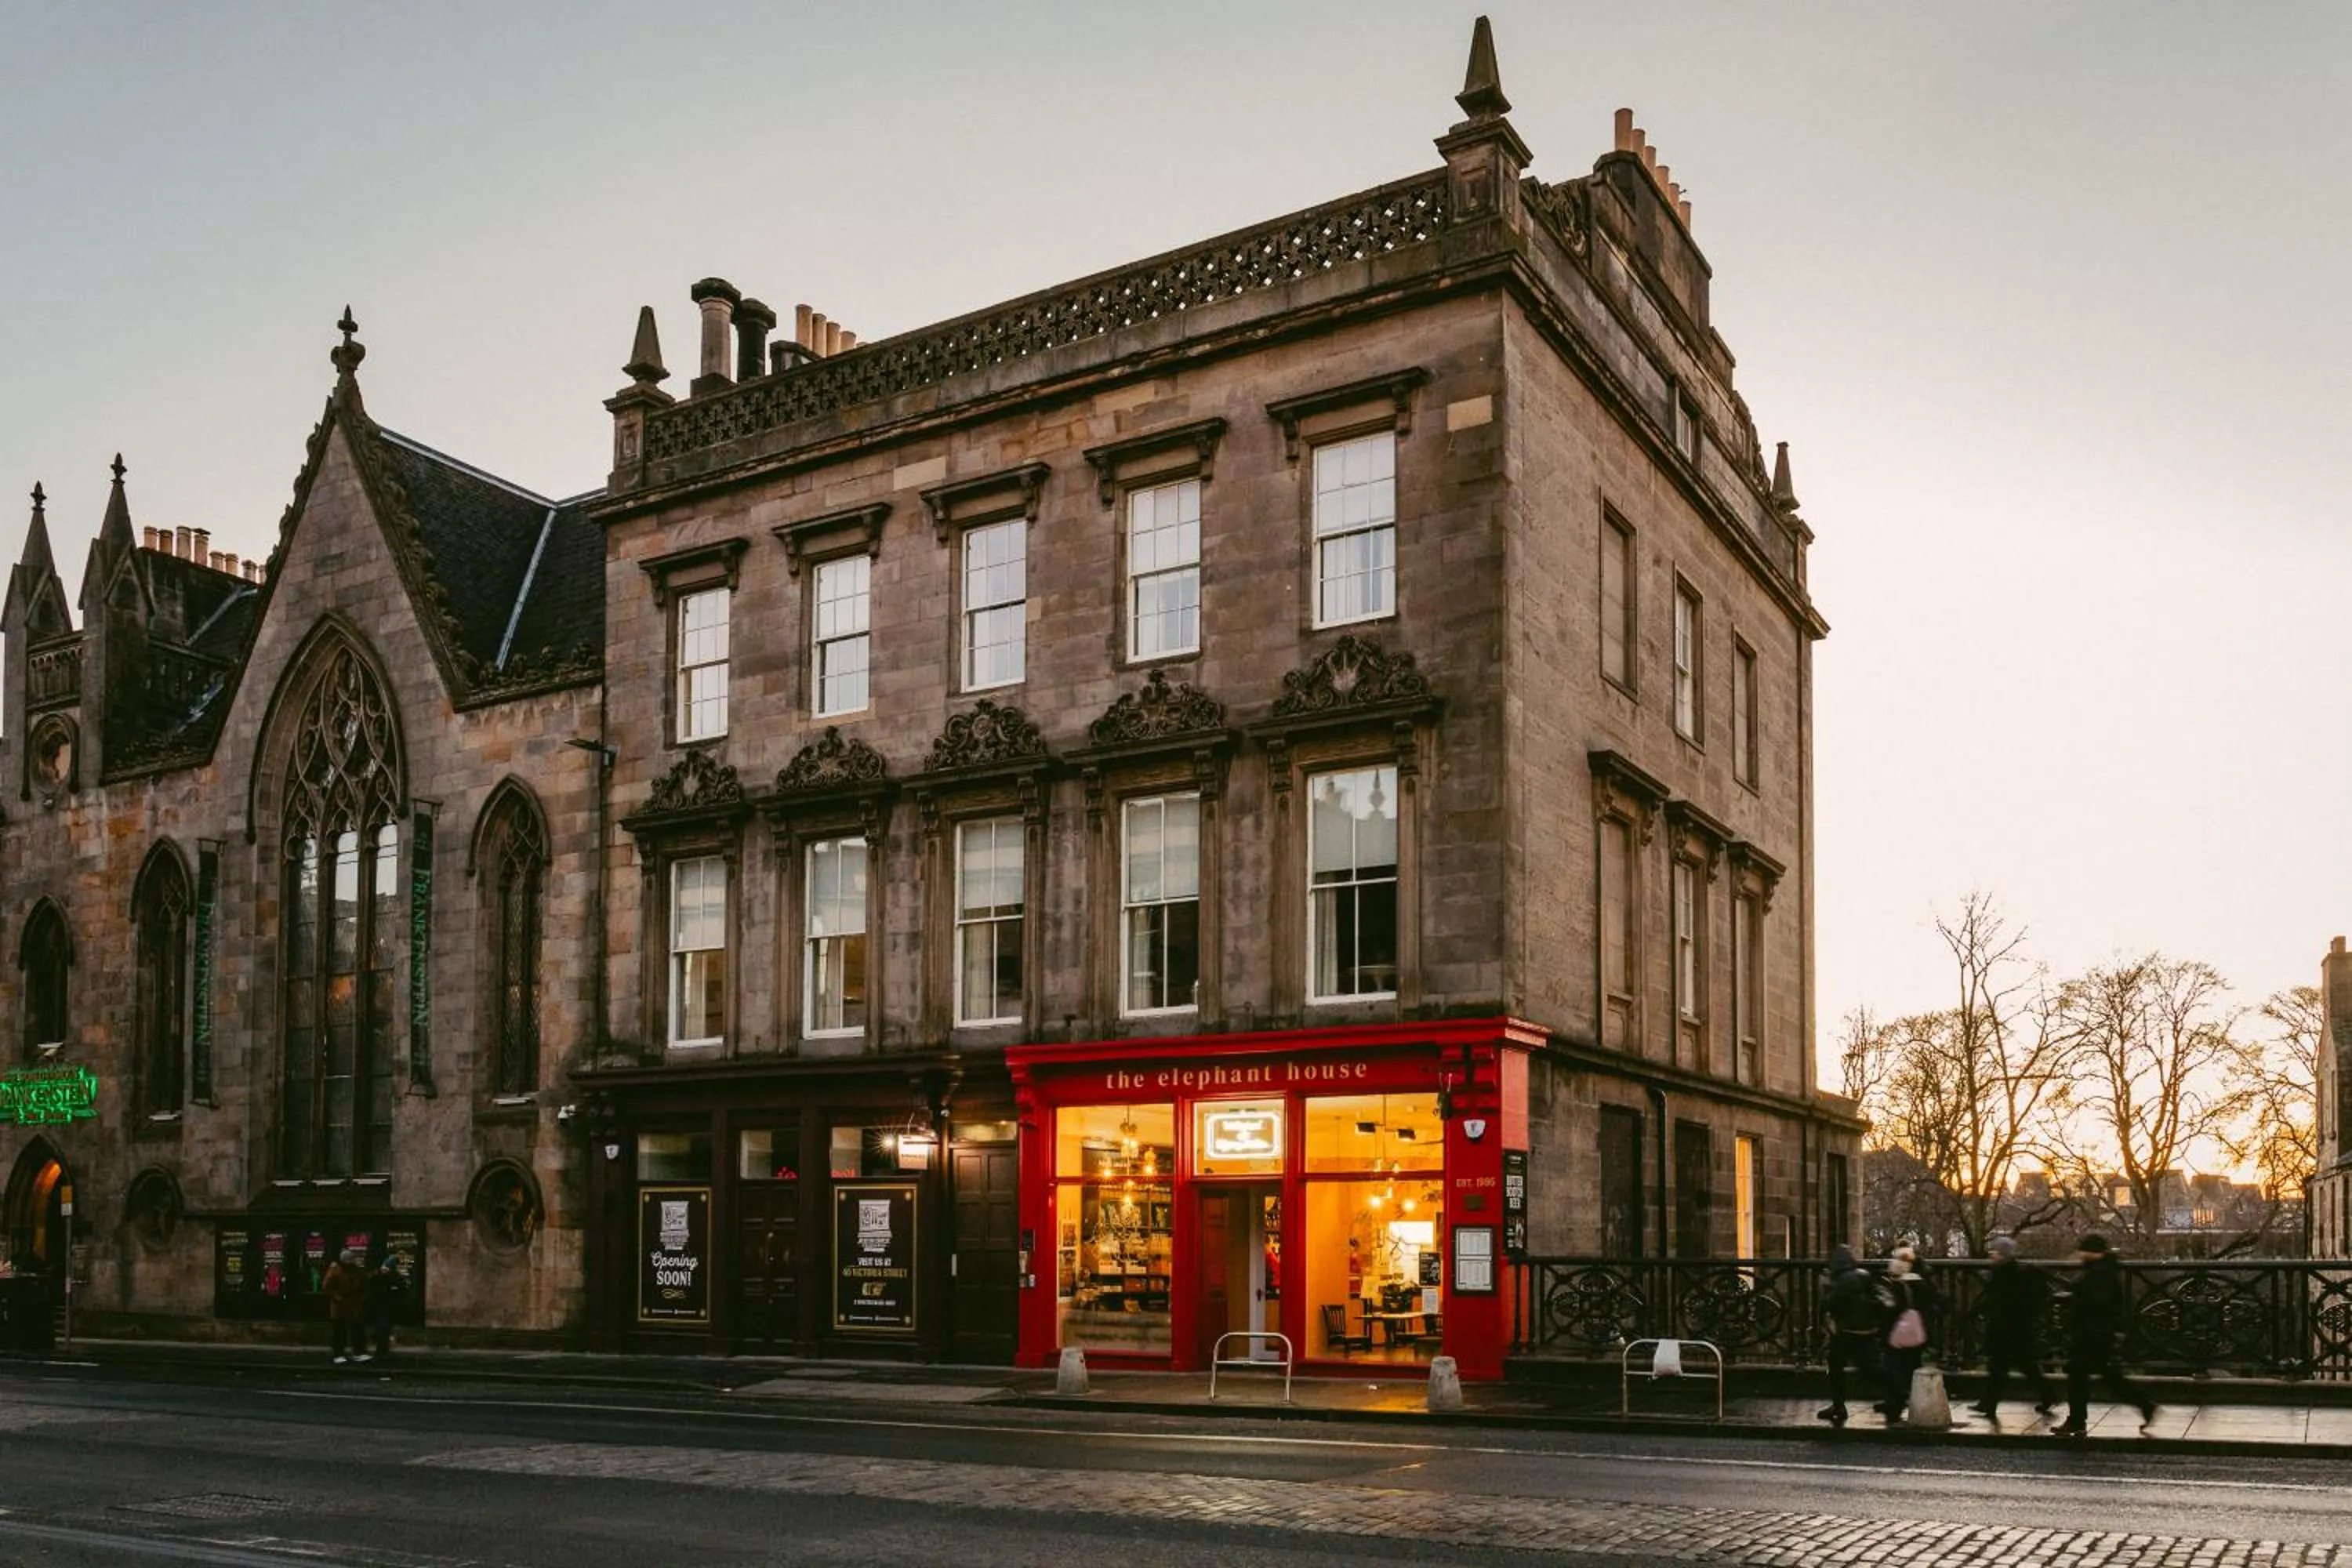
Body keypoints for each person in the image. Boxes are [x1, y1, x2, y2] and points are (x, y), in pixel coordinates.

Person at [2053, 1233, 2158, 1439]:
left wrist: (2073, 1298)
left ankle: (2077, 1420)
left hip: (2092, 1332)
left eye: (2083, 1250)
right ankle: (2144, 1405)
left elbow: (2094, 1302)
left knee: (2082, 1376)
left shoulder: (2099, 1274)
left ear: (2092, 1252)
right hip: (2096, 1332)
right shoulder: (2102, 1270)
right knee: (2107, 1378)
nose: (2080, 1254)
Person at [1971, 1236, 2055, 1422]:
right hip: (2018, 1329)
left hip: (2008, 1329)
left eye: (1995, 1252)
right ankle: (2046, 1395)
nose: (1991, 1255)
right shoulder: (2014, 1272)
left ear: (2003, 1255)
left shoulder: (2005, 1274)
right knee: (2022, 1367)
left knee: (2002, 1368)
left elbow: (1995, 1300)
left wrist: (1974, 1312)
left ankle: (1989, 1404)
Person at [1817, 1243, 1882, 1427]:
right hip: (1867, 1329)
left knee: (1836, 1367)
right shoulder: (1864, 1275)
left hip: (1847, 1331)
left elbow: (1829, 1304)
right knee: (1870, 1368)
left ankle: (1838, 1406)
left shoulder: (1841, 1281)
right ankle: (1896, 1397)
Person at [1878, 1245, 1940, 1426]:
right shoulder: (1922, 1278)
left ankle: (1896, 1402)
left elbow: (1892, 1308)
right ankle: (1903, 1401)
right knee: (1908, 1366)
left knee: (1895, 1367)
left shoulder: (1908, 1282)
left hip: (1900, 1332)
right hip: (1915, 1331)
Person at [322, 1247, 369, 1366]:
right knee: (340, 1331)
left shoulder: (357, 1270)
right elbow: (327, 1287)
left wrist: (363, 1296)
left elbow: (363, 1283)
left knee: (357, 1330)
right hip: (340, 1305)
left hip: (354, 1303)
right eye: (350, 1260)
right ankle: (338, 1354)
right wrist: (337, 1297)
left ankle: (358, 1352)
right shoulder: (335, 1270)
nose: (352, 1262)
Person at [367, 1252, 408, 1362]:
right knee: (383, 1329)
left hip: (386, 1306)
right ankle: (381, 1351)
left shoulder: (390, 1277)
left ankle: (382, 1351)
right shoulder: (381, 1276)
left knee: (384, 1329)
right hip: (382, 1306)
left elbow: (401, 1292)